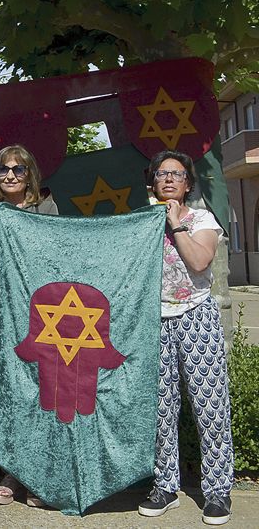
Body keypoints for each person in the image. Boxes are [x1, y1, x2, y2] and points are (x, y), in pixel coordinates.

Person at [136, 150, 234, 526]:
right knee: (161, 408)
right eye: (161, 174)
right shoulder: (143, 221)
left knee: (210, 405)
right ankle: (165, 485)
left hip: (196, 315)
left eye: (176, 174)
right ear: (153, 181)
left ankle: (217, 490)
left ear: (188, 183)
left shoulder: (202, 218)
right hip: (155, 321)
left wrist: (176, 224)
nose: (169, 179)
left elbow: (198, 262)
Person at [0, 145, 57, 506]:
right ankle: (10, 470)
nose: (10, 175)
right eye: (3, 169)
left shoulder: (47, 208)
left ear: (29, 173)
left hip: (37, 314)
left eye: (17, 169)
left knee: (39, 390)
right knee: (4, 390)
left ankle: (39, 473)